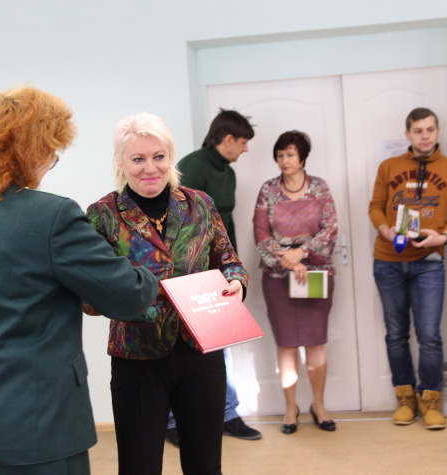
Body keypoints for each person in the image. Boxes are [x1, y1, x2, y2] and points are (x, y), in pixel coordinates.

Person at [0, 86, 159, 475]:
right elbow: (129, 297)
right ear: (33, 152)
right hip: (44, 426)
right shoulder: (51, 216)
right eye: (51, 155)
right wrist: (149, 269)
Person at [85, 112, 249, 475]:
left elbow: (228, 261)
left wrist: (236, 282)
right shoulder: (102, 215)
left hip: (200, 352)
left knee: (205, 466)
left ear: (170, 157)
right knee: (139, 467)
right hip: (137, 358)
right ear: (120, 162)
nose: (150, 168)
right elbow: (89, 295)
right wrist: (121, 295)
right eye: (138, 159)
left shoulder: (200, 204)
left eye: (158, 156)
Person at [369, 107, 447, 430]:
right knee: (396, 334)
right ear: (408, 134)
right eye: (418, 130)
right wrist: (385, 229)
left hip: (430, 263)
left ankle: (431, 400)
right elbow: (375, 207)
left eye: (430, 130)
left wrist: (444, 236)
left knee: (429, 336)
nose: (425, 136)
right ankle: (405, 399)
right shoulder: (388, 166)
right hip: (389, 261)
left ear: (437, 132)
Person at [170, 109, 261, 444]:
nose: (246, 149)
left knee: (221, 345)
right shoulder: (193, 166)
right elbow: (177, 222)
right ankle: (172, 422)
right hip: (190, 275)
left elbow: (225, 225)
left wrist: (232, 268)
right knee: (179, 348)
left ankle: (227, 415)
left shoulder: (228, 173)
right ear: (228, 139)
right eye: (244, 142)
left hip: (218, 272)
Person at [253, 130, 338, 434]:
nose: (284, 160)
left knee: (315, 342)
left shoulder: (319, 187)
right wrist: (288, 259)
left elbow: (330, 229)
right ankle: (291, 408)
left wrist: (302, 253)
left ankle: (319, 405)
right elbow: (260, 233)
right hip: (278, 278)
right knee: (287, 344)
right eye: (280, 155)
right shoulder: (268, 190)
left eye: (290, 154)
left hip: (316, 274)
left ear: (302, 157)